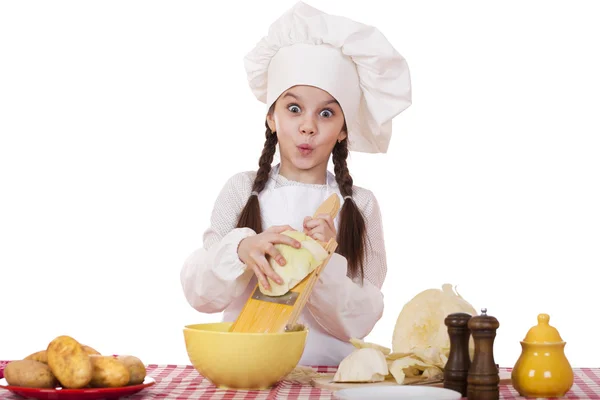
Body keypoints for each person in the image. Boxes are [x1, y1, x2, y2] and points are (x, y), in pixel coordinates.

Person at [180, 1, 412, 366]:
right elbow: (200, 295)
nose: (308, 126)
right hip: (248, 370)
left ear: (343, 130)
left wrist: (323, 264)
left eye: (326, 113)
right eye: (293, 108)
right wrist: (241, 250)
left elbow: (363, 318)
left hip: (331, 376)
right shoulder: (242, 192)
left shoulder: (359, 205)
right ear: (271, 117)